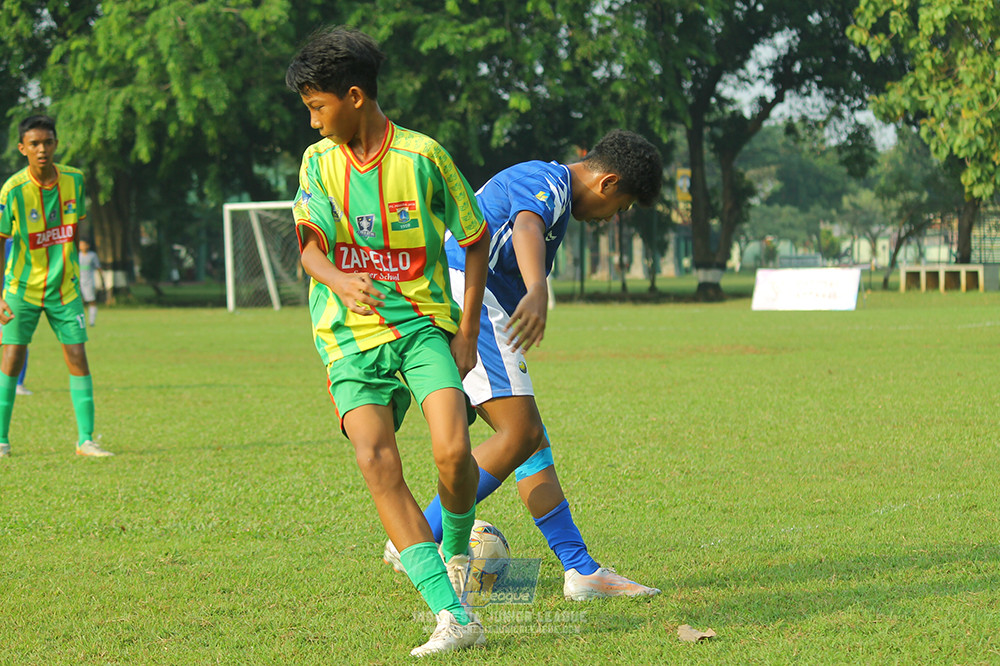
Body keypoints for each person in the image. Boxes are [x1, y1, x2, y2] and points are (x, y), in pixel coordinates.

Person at [384, 130, 664, 601]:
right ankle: (416, 536)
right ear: (608, 182)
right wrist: (537, 290)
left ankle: (580, 569)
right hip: (470, 294)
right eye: (621, 206)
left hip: (458, 293)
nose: (613, 217)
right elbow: (527, 226)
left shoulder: (549, 186)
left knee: (530, 438)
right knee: (520, 434)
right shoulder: (549, 181)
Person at [286, 26, 490, 657]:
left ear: (353, 96)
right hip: (345, 335)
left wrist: (469, 329)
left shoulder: (424, 156)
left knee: (454, 452)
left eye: (318, 108)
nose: (315, 124)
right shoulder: (318, 163)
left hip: (423, 325)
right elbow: (309, 247)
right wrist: (341, 282)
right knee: (377, 462)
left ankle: (457, 553)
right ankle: (451, 615)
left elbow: (476, 236)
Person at [0, 115, 111, 458]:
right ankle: (1, 440)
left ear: (56, 144)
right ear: (23, 149)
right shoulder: (12, 190)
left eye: (47, 142)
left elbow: (74, 229)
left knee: (77, 356)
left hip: (65, 290)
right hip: (22, 289)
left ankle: (86, 440)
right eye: (34, 144)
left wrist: (72, 268)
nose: (42, 149)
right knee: (12, 358)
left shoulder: (74, 180)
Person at [2, 238, 31, 396]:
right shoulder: (10, 242)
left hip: (13, 296)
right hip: (9, 297)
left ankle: (18, 383)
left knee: (18, 341)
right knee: (17, 341)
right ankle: (17, 383)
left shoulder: (17, 241)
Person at [78, 238, 105, 327]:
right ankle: (79, 322)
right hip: (78, 282)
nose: (82, 246)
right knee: (78, 302)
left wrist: (102, 281)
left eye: (84, 244)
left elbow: (99, 268)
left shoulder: (92, 255)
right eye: (80, 245)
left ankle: (92, 322)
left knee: (91, 301)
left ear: (88, 246)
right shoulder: (77, 255)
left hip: (89, 282)